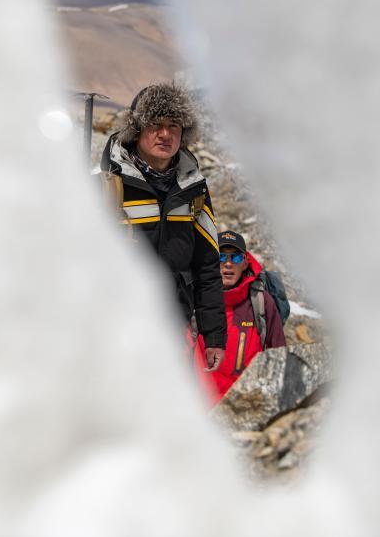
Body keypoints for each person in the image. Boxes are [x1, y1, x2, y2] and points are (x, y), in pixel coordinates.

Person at [99, 83, 226, 371]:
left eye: (173, 126)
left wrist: (214, 336)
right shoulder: (104, 185)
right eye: (155, 124)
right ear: (136, 129)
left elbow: (207, 266)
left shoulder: (194, 189)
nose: (165, 134)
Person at [196, 230, 287, 404]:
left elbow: (279, 357)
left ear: (245, 263)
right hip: (203, 405)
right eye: (221, 257)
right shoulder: (195, 299)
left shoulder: (261, 301)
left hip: (245, 404)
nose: (228, 264)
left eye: (236, 258)